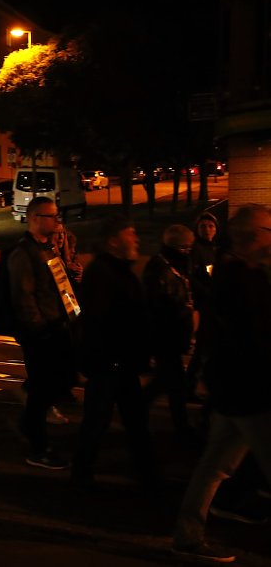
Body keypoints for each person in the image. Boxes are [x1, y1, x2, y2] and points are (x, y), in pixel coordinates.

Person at [171, 205, 271, 563]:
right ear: (252, 235)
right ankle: (187, 535)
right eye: (268, 230)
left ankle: (187, 535)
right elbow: (252, 338)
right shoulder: (239, 277)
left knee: (213, 466)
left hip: (233, 391)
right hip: (250, 393)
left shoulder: (242, 271)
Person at [72, 215, 158, 489]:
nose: (136, 238)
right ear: (113, 241)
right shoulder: (103, 274)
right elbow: (101, 323)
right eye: (129, 233)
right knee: (99, 422)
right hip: (111, 365)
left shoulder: (118, 270)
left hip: (121, 364)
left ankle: (147, 472)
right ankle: (82, 475)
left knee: (133, 422)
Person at [7, 197, 79, 470]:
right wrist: (39, 331)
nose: (57, 221)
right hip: (41, 334)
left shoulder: (48, 249)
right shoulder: (23, 254)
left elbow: (59, 288)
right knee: (40, 391)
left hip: (58, 327)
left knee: (59, 382)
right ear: (35, 217)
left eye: (57, 215)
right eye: (52, 216)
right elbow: (24, 299)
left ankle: (29, 426)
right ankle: (38, 447)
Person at [141, 224, 197, 439]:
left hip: (172, 334)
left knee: (169, 382)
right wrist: (180, 311)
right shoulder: (160, 269)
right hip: (165, 336)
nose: (188, 251)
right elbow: (157, 305)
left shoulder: (176, 264)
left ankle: (180, 425)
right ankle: (181, 427)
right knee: (172, 383)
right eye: (185, 247)